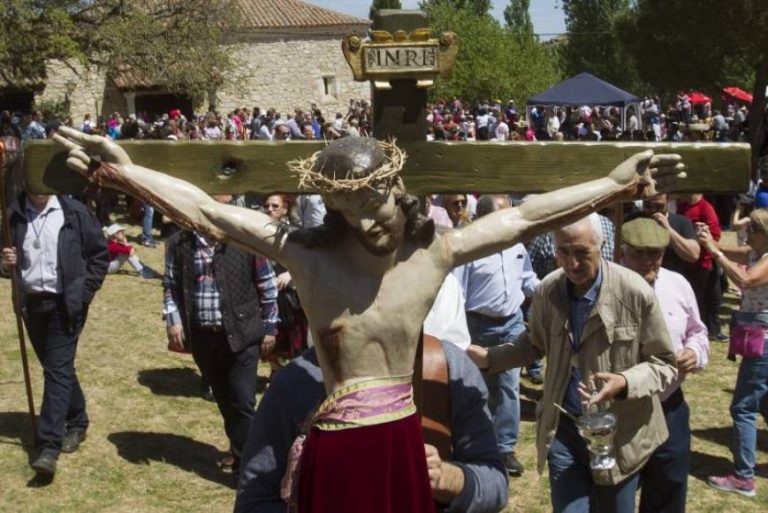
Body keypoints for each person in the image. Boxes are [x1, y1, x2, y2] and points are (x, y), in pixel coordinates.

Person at [52, 127, 685, 512]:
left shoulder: (434, 253)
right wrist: (125, 171)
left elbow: (524, 218)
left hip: (402, 444)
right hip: (337, 446)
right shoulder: (309, 258)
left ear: (394, 186)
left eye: (374, 204)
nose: (366, 221)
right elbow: (209, 213)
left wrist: (612, 184)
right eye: (348, 210)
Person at [467, 214, 678, 513]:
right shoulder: (548, 290)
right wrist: (490, 358)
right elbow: (533, 343)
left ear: (601, 247)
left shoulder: (635, 293)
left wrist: (624, 382)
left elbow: (664, 363)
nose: (572, 263)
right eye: (563, 251)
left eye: (581, 252)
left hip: (619, 434)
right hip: (564, 429)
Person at [162, 195, 278, 475]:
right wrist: (173, 320)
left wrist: (270, 327)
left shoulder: (245, 241)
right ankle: (241, 454)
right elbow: (170, 284)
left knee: (242, 402)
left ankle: (253, 470)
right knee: (225, 401)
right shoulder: (179, 243)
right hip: (203, 336)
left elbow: (267, 285)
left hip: (243, 334)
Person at [1, 192, 108, 476]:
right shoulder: (13, 214)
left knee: (56, 370)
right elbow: (4, 262)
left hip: (66, 305)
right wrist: (6, 263)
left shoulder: (74, 212)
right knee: (57, 367)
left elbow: (99, 255)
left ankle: (49, 446)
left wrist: (83, 295)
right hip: (31, 304)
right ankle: (78, 420)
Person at [618, 218, 709, 513]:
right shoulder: (606, 287)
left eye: (655, 253)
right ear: (623, 250)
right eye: (639, 253)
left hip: (669, 407)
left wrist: (695, 351)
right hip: (621, 410)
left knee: (669, 487)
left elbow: (697, 330)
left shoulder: (677, 284)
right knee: (616, 493)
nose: (648, 260)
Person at [452, 194, 539, 476]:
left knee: (508, 386)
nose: (509, 221)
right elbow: (458, 292)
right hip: (478, 326)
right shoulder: (470, 250)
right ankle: (477, 444)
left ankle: (504, 448)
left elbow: (528, 280)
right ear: (484, 219)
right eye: (503, 216)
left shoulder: (517, 246)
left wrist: (552, 289)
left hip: (512, 322)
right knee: (477, 387)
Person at [700, 208, 768, 497]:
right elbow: (730, 251)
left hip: (763, 341)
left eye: (751, 229)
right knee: (764, 403)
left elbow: (745, 280)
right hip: (758, 337)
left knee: (743, 407)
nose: (745, 233)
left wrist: (715, 253)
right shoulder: (756, 253)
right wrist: (709, 242)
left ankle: (743, 478)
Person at [677, 193, 724, 339]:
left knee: (699, 299)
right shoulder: (682, 207)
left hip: (702, 263)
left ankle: (700, 332)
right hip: (685, 260)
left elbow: (715, 237)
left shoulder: (706, 208)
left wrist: (702, 234)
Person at [626, 193, 700, 281]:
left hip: (671, 281)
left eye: (659, 206)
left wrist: (668, 229)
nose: (653, 210)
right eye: (648, 206)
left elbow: (693, 255)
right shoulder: (632, 220)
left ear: (667, 201)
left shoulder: (682, 222)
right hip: (636, 279)